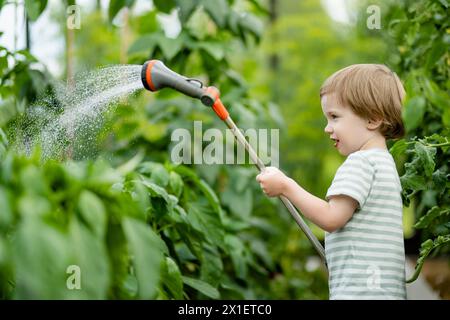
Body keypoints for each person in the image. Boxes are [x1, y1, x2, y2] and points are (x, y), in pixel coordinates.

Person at [256, 64, 407, 300]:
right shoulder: (384, 164)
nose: (327, 128)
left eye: (335, 117)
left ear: (373, 118)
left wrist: (286, 186)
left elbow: (331, 218)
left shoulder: (361, 163)